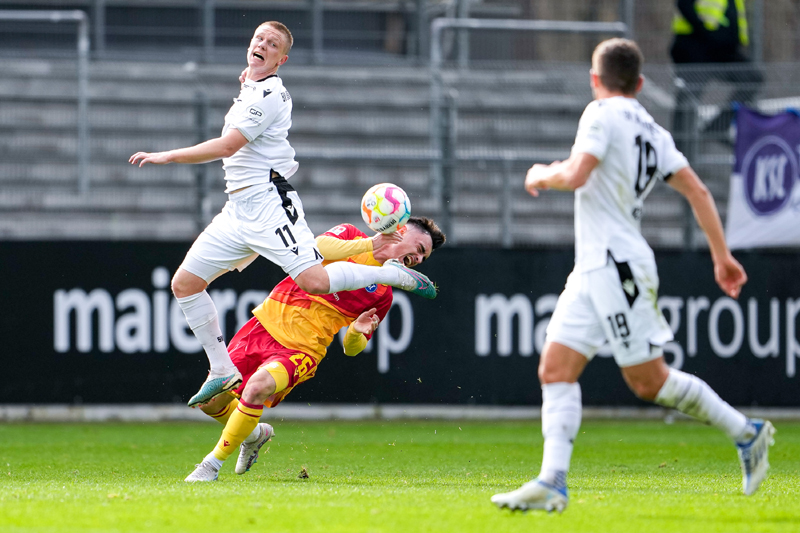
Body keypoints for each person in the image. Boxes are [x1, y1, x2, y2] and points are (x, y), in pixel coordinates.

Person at [491, 38, 774, 513]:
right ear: (641, 83)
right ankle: (552, 481)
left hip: (617, 265)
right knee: (555, 369)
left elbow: (578, 174)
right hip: (595, 266)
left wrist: (541, 173)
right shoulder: (654, 130)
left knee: (648, 381)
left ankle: (747, 433)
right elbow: (699, 191)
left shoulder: (600, 113)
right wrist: (722, 257)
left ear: (595, 79)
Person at [129, 21, 436, 408]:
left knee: (315, 281)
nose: (262, 44)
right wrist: (250, 79)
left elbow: (228, 147)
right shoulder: (254, 86)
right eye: (259, 38)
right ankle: (221, 369)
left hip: (269, 205)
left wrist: (168, 155)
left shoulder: (269, 94)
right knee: (184, 285)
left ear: (282, 59)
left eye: (272, 44)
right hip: (236, 209)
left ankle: (389, 274)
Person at [183, 216, 446, 482]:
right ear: (400, 231)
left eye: (425, 258)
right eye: (421, 249)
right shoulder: (352, 235)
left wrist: (356, 331)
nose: (420, 259)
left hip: (302, 349)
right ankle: (253, 434)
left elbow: (352, 350)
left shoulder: (382, 295)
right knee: (212, 402)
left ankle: (210, 466)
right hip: (262, 326)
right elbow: (319, 247)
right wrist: (369, 244)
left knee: (256, 388)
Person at [671, 0, 763, 156]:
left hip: (724, 51)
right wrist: (706, 33)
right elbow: (684, 4)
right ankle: (678, 158)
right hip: (696, 46)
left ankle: (718, 127)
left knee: (751, 78)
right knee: (688, 99)